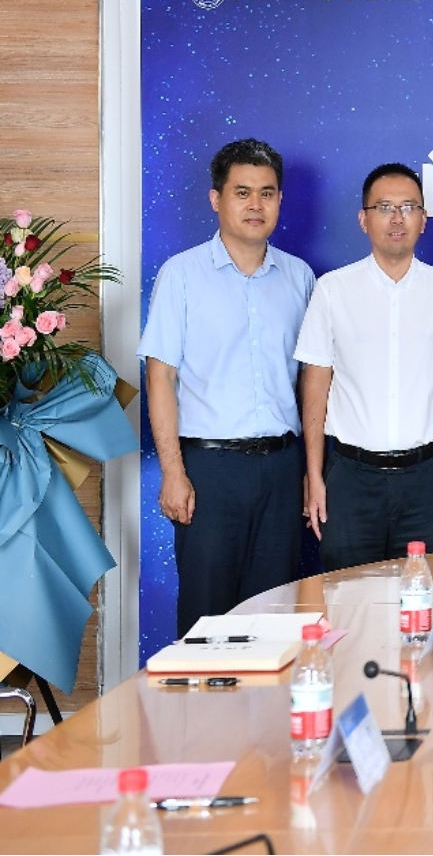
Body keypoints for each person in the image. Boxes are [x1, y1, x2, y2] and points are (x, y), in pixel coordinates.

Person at [140, 139, 315, 636]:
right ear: (216, 199)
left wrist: (309, 469)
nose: (255, 205)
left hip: (282, 468)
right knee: (207, 615)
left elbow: (311, 382)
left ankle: (266, 695)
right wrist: (173, 472)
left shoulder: (300, 278)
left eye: (267, 193)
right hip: (209, 471)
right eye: (242, 192)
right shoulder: (181, 275)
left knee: (275, 614)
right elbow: (160, 377)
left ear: (280, 200)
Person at [296, 163, 433, 570]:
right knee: (347, 598)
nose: (397, 218)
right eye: (384, 207)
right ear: (363, 219)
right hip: (349, 478)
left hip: (425, 480)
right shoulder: (332, 290)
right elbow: (315, 387)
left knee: (424, 596)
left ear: (423, 219)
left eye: (408, 207)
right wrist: (314, 475)